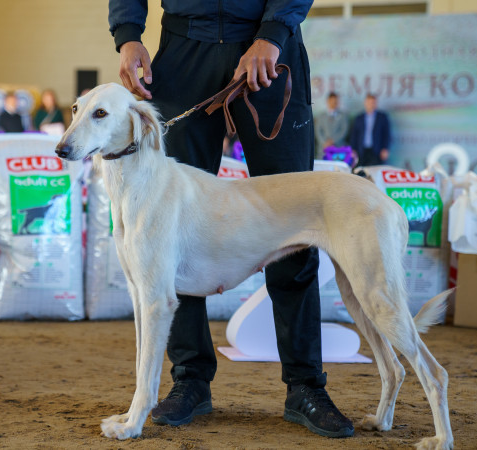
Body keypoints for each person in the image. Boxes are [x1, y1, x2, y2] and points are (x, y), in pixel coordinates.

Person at [109, 0, 354, 439]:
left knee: (295, 219)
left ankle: (304, 386)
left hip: (266, 48)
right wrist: (127, 34)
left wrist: (274, 33)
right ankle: (190, 379)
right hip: (184, 48)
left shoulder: (271, 40)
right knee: (171, 233)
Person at [349, 93, 391, 166]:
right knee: (360, 174)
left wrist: (385, 148)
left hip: (376, 151)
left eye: (373, 102)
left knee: (375, 172)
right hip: (361, 151)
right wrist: (353, 149)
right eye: (369, 102)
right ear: (365, 103)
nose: (371, 104)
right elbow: (354, 135)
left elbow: (386, 134)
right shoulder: (359, 118)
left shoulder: (382, 117)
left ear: (376, 103)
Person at [314, 92, 348, 158]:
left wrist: (333, 141)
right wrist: (324, 142)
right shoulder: (321, 116)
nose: (334, 103)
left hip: (338, 150)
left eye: (336, 101)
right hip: (323, 150)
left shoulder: (343, 116)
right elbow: (318, 130)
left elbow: (343, 130)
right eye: (332, 101)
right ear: (328, 101)